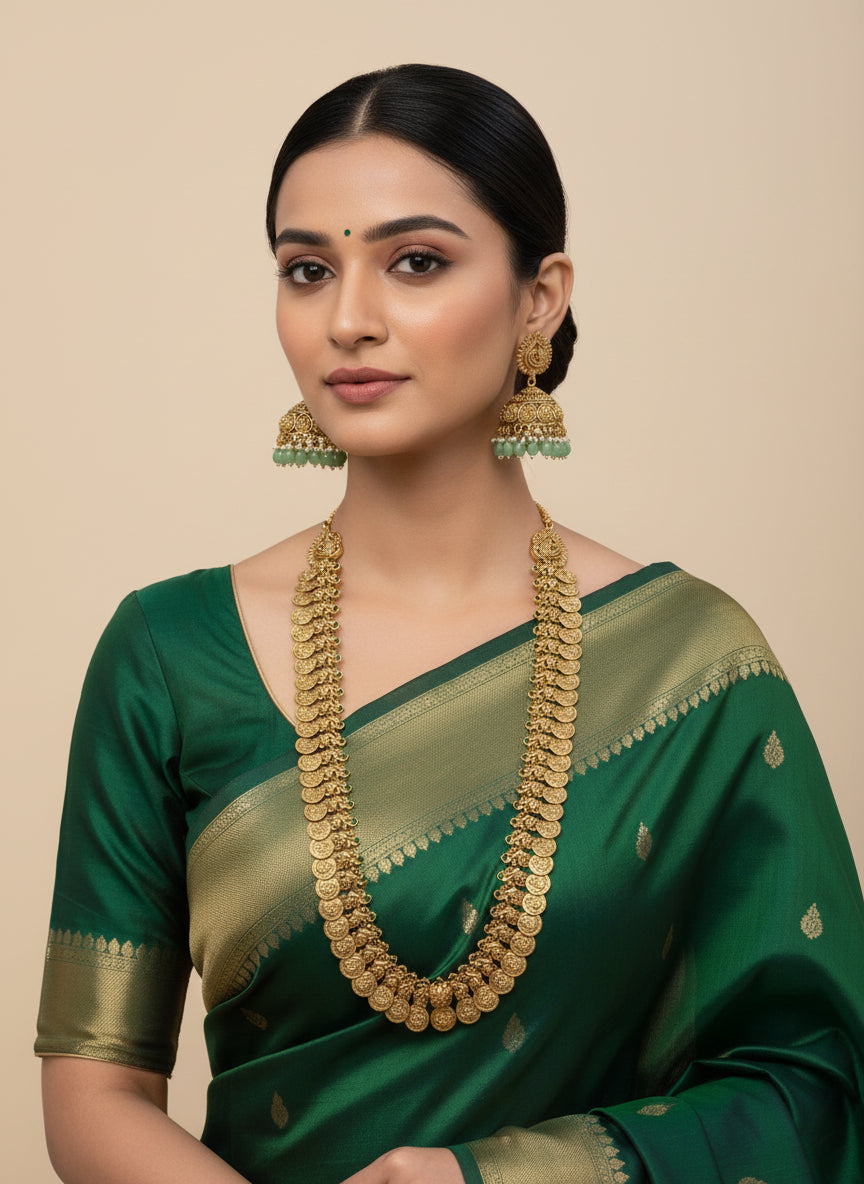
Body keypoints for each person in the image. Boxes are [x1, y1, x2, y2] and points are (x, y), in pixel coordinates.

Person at [36, 64, 864, 1184]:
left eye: (416, 261)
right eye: (306, 269)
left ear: (541, 295)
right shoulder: (167, 655)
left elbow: (807, 1084)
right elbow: (93, 1091)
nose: (349, 318)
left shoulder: (692, 666)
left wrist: (501, 1176)